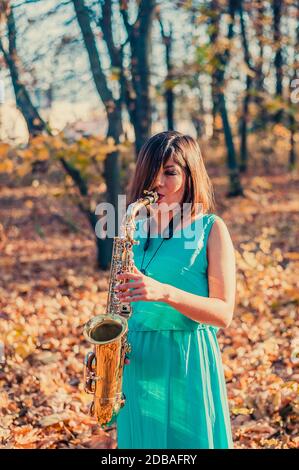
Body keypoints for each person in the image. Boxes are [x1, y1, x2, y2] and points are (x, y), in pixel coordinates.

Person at [115, 131, 236, 449]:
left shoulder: (211, 229)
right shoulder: (133, 229)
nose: (159, 183)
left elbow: (223, 313)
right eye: (153, 172)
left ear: (189, 174)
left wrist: (165, 293)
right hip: (137, 361)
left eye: (170, 172)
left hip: (188, 359)